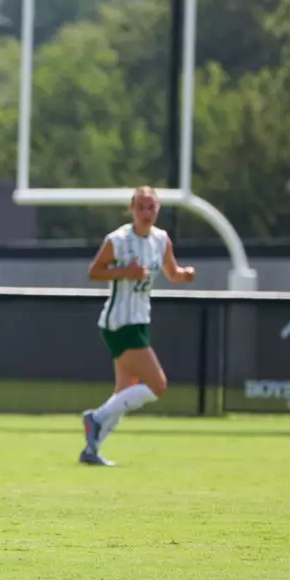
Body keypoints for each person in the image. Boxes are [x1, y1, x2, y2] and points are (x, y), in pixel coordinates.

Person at [79, 185, 196, 466]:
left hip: (141, 320)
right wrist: (125, 272)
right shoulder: (118, 240)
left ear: (158, 209)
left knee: (124, 391)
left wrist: (184, 275)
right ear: (132, 209)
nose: (146, 212)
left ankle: (91, 450)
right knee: (158, 385)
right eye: (141, 207)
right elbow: (94, 272)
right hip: (120, 322)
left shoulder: (160, 239)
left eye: (151, 206)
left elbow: (171, 272)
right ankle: (95, 418)